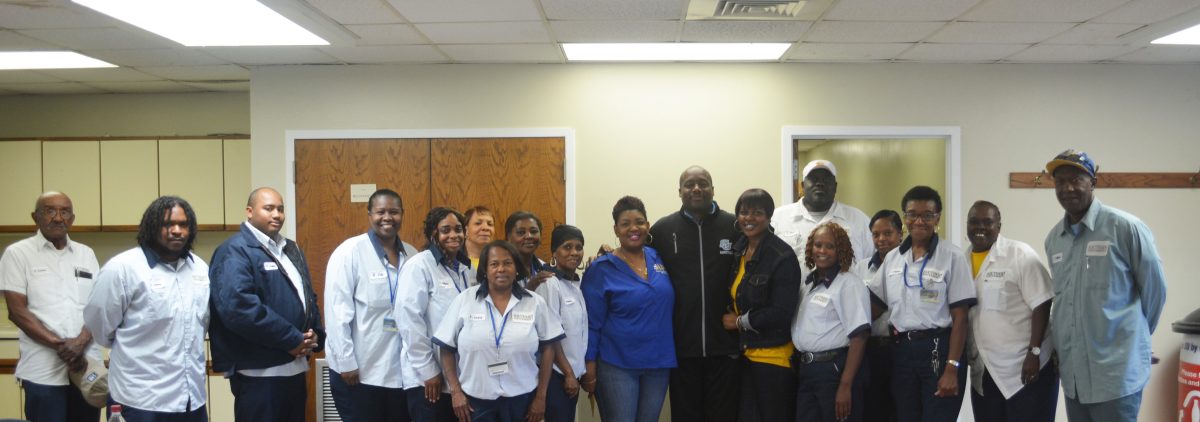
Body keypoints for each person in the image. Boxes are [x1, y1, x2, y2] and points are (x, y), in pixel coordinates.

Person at [1043, 150, 1166, 422]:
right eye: (1060, 182)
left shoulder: (1126, 228)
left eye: (1076, 179)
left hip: (1115, 374)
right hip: (1074, 376)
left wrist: (1138, 340)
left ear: (1093, 182)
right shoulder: (1054, 240)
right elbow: (1063, 301)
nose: (1068, 188)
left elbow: (1155, 291)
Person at [84, 196, 209, 421]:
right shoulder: (122, 268)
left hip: (192, 398)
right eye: (168, 224)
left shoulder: (200, 268)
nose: (177, 231)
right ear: (151, 227)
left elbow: (203, 324)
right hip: (140, 399)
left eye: (183, 224)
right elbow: (100, 327)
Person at [209, 187, 324, 422]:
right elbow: (238, 308)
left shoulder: (290, 249)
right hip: (258, 373)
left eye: (280, 209)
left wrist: (315, 336)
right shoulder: (234, 250)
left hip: (295, 367)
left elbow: (308, 298)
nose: (277, 215)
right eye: (268, 208)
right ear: (249, 212)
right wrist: (291, 339)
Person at [867, 185, 976, 422]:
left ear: (938, 218)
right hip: (902, 352)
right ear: (904, 217)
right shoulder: (894, 258)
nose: (919, 221)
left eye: (927, 215)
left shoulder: (952, 257)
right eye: (912, 214)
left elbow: (960, 317)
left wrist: (952, 367)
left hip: (938, 349)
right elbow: (873, 306)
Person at [648, 165, 740, 422]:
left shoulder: (733, 226)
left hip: (726, 347)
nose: (697, 188)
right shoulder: (662, 230)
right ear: (680, 192)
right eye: (690, 184)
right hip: (680, 348)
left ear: (713, 189)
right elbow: (636, 262)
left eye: (703, 183)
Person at [435, 240, 565, 422]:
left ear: (517, 268)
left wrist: (540, 397)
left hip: (523, 400)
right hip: (475, 401)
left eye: (507, 263)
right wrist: (455, 392)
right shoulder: (465, 300)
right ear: (485, 270)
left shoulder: (535, 303)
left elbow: (549, 348)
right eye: (494, 264)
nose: (501, 269)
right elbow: (446, 347)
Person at [1, 192, 101, 422]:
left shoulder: (86, 254)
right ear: (35, 217)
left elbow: (98, 306)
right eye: (50, 210)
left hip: (86, 369)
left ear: (72, 218)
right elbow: (17, 312)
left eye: (64, 211)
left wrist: (82, 342)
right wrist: (63, 346)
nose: (58, 217)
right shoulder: (18, 254)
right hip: (42, 372)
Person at [324, 189, 420, 422]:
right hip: (360, 372)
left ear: (402, 215)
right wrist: (346, 362)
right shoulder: (349, 252)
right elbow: (337, 313)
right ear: (369, 215)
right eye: (380, 212)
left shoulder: (412, 254)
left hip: (401, 375)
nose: (387, 217)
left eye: (394, 212)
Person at [582, 196, 676, 422]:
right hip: (617, 365)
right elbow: (591, 325)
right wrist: (590, 368)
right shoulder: (601, 268)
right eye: (625, 224)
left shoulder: (660, 258)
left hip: (658, 363)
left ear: (648, 225)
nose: (634, 228)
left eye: (639, 222)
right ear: (616, 229)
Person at [965, 200, 1057, 422]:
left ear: (999, 226)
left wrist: (1034, 352)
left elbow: (1042, 303)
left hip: (1027, 368)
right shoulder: (961, 260)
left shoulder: (1019, 254)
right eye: (974, 222)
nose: (980, 227)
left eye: (988, 222)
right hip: (985, 370)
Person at [720, 189, 800, 421]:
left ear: (769, 216)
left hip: (773, 358)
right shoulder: (739, 250)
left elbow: (782, 312)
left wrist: (739, 322)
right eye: (744, 212)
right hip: (745, 355)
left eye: (757, 213)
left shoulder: (781, 255)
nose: (749, 218)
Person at [395, 207, 476, 422]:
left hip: (459, 378)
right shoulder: (419, 266)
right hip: (428, 381)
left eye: (458, 229)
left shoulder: (465, 269)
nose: (453, 235)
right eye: (445, 230)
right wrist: (428, 370)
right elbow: (409, 321)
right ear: (433, 234)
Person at [793, 223, 871, 422]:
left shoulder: (848, 283)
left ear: (841, 250)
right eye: (818, 245)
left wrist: (845, 386)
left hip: (834, 370)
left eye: (830, 246)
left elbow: (859, 337)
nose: (822, 251)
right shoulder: (808, 283)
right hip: (807, 370)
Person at [772, 160, 873, 275]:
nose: (820, 183)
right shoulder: (778, 218)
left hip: (845, 292)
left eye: (826, 179)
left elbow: (871, 264)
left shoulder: (859, 220)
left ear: (835, 186)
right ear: (802, 186)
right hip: (791, 292)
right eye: (813, 179)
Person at [850, 209, 903, 422]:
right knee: (871, 408)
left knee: (899, 408)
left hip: (899, 348)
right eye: (876, 234)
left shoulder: (910, 265)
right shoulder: (860, 269)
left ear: (900, 234)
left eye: (887, 233)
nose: (881, 239)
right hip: (868, 349)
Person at [534, 225, 588, 422]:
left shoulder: (574, 283)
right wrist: (568, 373)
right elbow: (550, 336)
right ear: (554, 252)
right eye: (567, 247)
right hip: (557, 376)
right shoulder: (549, 283)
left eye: (579, 247)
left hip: (572, 375)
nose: (574, 252)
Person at [504, 211, 554, 291]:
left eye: (534, 231)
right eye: (521, 232)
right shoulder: (500, 270)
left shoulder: (545, 268)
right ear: (508, 237)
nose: (528, 236)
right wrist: (529, 288)